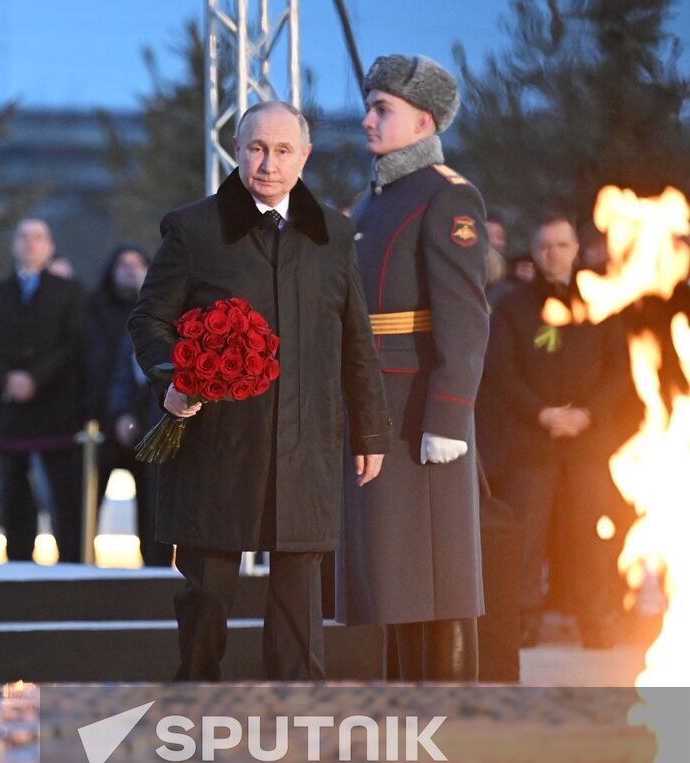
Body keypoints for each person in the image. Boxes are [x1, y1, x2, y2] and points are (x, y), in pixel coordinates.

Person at [129, 101, 391, 682]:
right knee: (207, 595)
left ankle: (295, 718)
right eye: (254, 148)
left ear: (304, 156)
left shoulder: (334, 232)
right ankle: (195, 713)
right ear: (236, 149)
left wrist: (371, 430)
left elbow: (355, 338)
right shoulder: (193, 229)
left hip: (306, 444)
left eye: (281, 150)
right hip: (217, 442)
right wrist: (172, 380)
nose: (266, 163)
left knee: (301, 599)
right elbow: (149, 320)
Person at [341, 55, 490, 681]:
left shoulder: (446, 195)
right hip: (378, 401)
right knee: (396, 578)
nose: (368, 119)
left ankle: (451, 719)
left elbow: (464, 313)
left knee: (441, 577)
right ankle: (407, 714)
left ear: (423, 120)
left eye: (384, 109)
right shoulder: (376, 196)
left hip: (419, 408)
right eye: (370, 105)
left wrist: (449, 415)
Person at [478, 215, 630, 646]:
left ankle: (595, 621)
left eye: (562, 245)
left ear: (575, 250)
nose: (554, 253)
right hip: (531, 442)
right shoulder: (512, 305)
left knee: (588, 535)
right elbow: (501, 370)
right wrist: (542, 413)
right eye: (546, 246)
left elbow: (620, 366)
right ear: (536, 249)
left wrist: (588, 414)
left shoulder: (603, 300)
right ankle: (522, 622)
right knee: (527, 536)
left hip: (589, 442)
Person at [0, 218, 87, 564]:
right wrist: (8, 378)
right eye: (23, 236)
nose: (30, 243)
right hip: (11, 410)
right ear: (14, 245)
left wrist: (34, 379)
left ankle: (71, 563)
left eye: (38, 237)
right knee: (13, 492)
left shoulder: (70, 292)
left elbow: (72, 345)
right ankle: (19, 562)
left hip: (56, 406)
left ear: (50, 246)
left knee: (64, 491)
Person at [84, 246, 169, 566]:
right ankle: (85, 570)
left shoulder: (159, 311)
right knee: (90, 503)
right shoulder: (93, 310)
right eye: (123, 263)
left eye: (138, 264)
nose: (130, 270)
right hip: (102, 422)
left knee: (153, 504)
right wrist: (116, 413)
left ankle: (155, 568)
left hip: (150, 419)